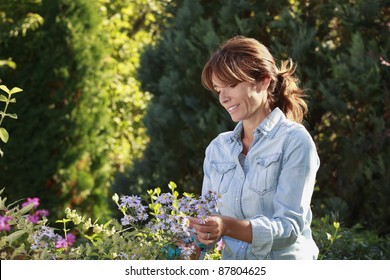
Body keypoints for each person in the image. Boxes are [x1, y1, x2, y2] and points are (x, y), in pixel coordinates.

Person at [188, 35, 320, 260]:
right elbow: (209, 226)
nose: (224, 98)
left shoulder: (294, 141)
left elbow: (289, 228)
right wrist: (190, 246)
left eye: (231, 85)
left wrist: (227, 226)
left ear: (264, 81)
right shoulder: (217, 149)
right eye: (219, 89)